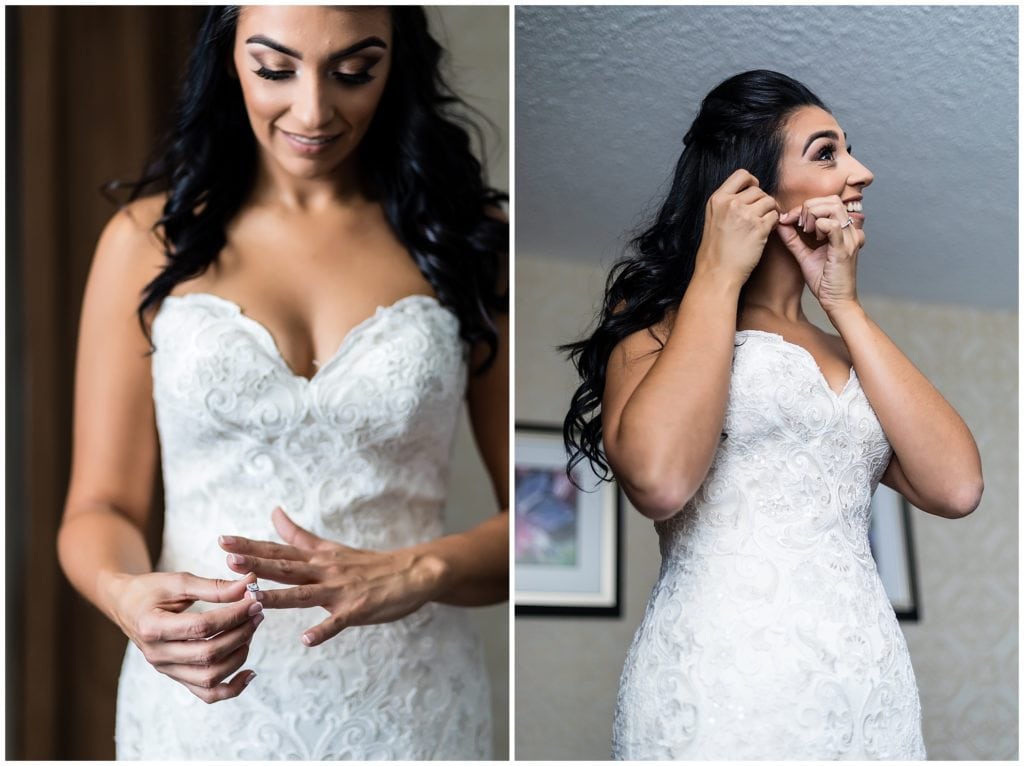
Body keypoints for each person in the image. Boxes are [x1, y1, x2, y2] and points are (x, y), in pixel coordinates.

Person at [57, 6, 508, 760]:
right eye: (275, 68)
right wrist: (126, 596)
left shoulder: (470, 241)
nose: (313, 110)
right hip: (202, 704)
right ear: (228, 57)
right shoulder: (145, 241)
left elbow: (534, 517)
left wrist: (419, 568)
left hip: (413, 703)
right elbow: (98, 506)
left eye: (353, 72)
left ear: (396, 62)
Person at [563, 70, 982, 760]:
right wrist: (717, 273)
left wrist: (842, 304)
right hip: (728, 675)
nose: (862, 173)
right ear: (749, 185)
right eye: (827, 153)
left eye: (849, 151)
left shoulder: (843, 346)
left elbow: (957, 487)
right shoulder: (660, 328)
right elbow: (661, 480)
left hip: (864, 680)